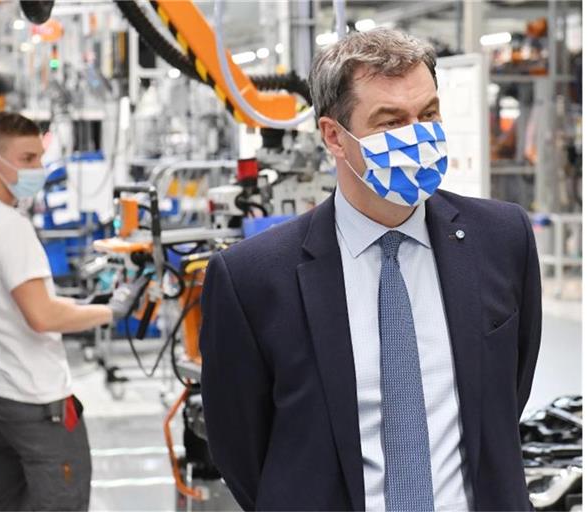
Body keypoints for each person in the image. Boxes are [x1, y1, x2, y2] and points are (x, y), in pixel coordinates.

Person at [199, 28, 541, 511]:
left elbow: (508, 394)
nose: (417, 135)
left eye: (427, 114)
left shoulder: (501, 239)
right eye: (390, 121)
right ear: (334, 136)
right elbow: (240, 449)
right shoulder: (252, 279)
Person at [0, 112, 139, 511]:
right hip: (36, 404)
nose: (38, 169)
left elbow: (26, 304)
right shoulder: (9, 226)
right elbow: (42, 316)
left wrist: (85, 306)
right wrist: (112, 312)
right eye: (28, 159)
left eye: (39, 157)